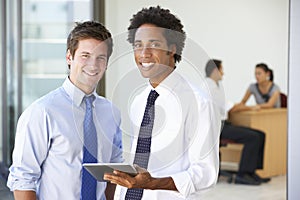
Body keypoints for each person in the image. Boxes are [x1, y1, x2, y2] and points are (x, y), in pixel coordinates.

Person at [104, 6, 221, 199]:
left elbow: (205, 173)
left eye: (154, 44)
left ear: (172, 49)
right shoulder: (139, 101)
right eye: (138, 45)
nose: (144, 53)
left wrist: (152, 184)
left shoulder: (198, 103)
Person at [7, 21, 123, 200]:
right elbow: (23, 179)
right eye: (85, 55)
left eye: (101, 57)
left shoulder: (111, 113)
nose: (93, 65)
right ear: (69, 57)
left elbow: (113, 173)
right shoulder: (43, 111)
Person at [205, 59, 271, 185]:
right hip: (216, 128)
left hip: (222, 125)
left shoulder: (214, 86)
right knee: (253, 138)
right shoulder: (210, 88)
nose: (223, 73)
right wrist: (251, 107)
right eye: (221, 70)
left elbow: (227, 106)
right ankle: (243, 174)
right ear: (215, 71)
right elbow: (231, 107)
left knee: (260, 134)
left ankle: (251, 172)